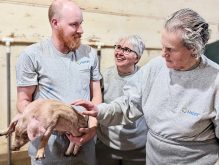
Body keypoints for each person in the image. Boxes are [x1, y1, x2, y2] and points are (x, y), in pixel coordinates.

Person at [72, 8, 219, 165]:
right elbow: (130, 104)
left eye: (170, 49)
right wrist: (100, 110)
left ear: (193, 49)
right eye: (163, 46)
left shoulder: (215, 80)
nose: (163, 54)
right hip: (154, 159)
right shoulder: (156, 67)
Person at [15, 0, 102, 164]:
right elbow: (23, 100)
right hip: (48, 145)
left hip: (84, 140)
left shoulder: (89, 54)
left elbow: (96, 95)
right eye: (74, 25)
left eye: (81, 24)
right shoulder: (32, 55)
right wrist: (36, 123)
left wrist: (92, 128)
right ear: (55, 23)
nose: (81, 30)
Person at [96, 35, 148, 165]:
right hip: (106, 143)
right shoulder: (104, 75)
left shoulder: (145, 78)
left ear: (137, 57)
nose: (119, 52)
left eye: (127, 50)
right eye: (118, 47)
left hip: (137, 147)